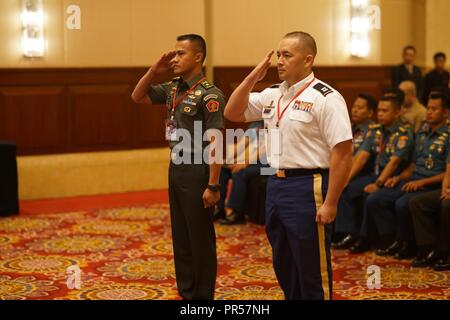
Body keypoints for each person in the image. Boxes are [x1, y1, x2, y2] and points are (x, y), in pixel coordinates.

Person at [224, 31, 353, 300]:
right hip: (276, 183)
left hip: (309, 186)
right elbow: (232, 112)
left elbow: (343, 154)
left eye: (287, 55)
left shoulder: (326, 98)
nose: (279, 60)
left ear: (308, 59)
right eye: (278, 54)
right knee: (283, 261)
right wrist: (251, 79)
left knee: (311, 267)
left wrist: (331, 202)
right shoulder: (272, 94)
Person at [131, 34, 225, 300]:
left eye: (181, 53)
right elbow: (137, 96)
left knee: (200, 239)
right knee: (181, 236)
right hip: (176, 167)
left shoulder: (210, 95)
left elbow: (217, 143)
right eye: (174, 53)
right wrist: (153, 71)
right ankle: (187, 292)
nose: (174, 58)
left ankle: (203, 297)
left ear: (198, 57)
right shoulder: (173, 88)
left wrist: (213, 184)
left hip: (197, 169)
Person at [367, 89, 449, 260]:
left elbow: (446, 172)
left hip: (432, 183)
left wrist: (422, 183)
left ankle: (411, 244)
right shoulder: (422, 134)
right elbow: (412, 166)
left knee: (403, 203)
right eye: (428, 108)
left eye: (434, 109)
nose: (429, 112)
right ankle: (392, 239)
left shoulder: (447, 135)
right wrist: (398, 177)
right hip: (413, 179)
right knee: (377, 198)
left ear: (445, 112)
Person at [348, 90, 415, 254]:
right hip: (375, 174)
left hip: (395, 178)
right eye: (379, 110)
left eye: (385, 111)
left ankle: (374, 238)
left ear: (397, 112)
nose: (380, 114)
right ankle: (361, 235)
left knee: (371, 196)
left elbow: (394, 163)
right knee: (351, 188)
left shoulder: (404, 133)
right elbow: (361, 156)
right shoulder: (375, 130)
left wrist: (377, 184)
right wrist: (346, 178)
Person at [332, 94, 377, 249]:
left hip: (367, 174)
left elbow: (360, 160)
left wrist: (344, 179)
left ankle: (348, 233)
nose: (355, 110)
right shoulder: (348, 127)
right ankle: (331, 229)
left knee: (346, 190)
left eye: (360, 107)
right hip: (346, 171)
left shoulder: (372, 131)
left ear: (370, 113)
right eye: (354, 106)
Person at [217, 120, 269, 225]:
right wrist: (227, 161)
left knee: (240, 173)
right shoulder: (255, 126)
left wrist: (245, 163)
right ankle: (219, 209)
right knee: (223, 170)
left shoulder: (273, 124)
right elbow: (241, 145)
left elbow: (265, 149)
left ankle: (237, 213)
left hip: (269, 165)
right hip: (254, 163)